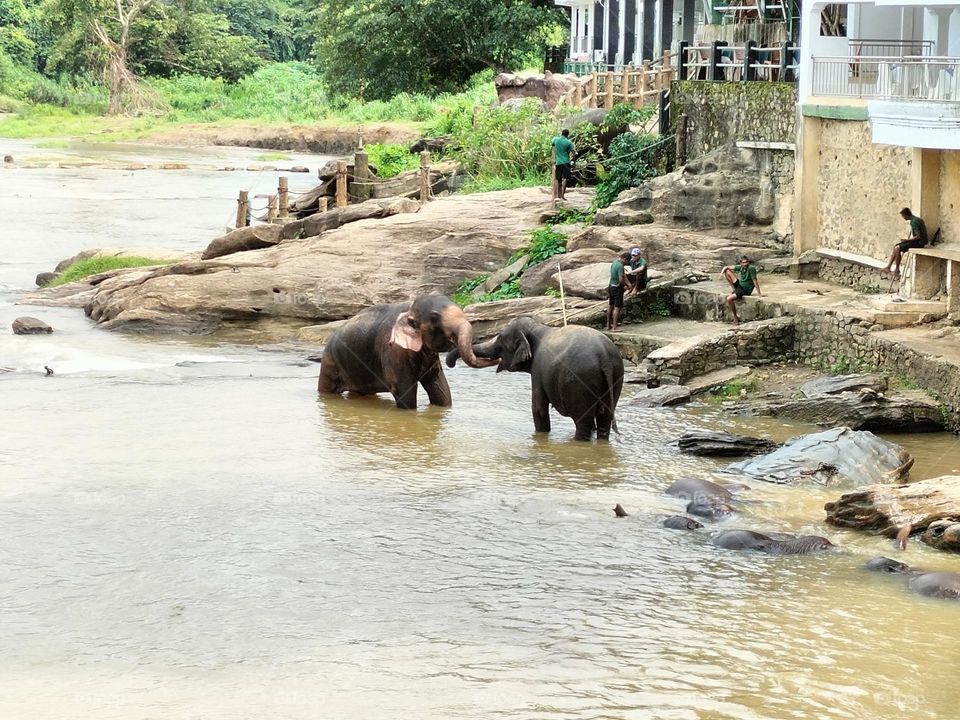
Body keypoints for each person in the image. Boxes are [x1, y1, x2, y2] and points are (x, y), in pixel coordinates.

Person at [883, 207, 928, 278]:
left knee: (898, 248)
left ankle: (897, 269)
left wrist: (906, 240)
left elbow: (918, 236)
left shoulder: (914, 222)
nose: (903, 218)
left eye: (902, 216)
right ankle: (888, 267)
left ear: (905, 215)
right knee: (896, 246)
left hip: (919, 243)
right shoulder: (916, 219)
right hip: (919, 241)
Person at [720, 256, 763, 326]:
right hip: (740, 286)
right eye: (743, 262)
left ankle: (735, 318)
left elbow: (755, 281)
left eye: (746, 262)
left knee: (729, 299)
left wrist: (759, 293)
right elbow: (726, 267)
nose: (745, 264)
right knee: (727, 271)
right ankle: (734, 289)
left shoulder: (751, 268)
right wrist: (721, 273)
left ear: (748, 262)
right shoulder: (741, 267)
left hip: (745, 289)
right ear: (741, 263)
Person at [607, 250, 631, 332]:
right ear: (624, 259)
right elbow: (621, 279)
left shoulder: (614, 262)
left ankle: (608, 325)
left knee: (610, 305)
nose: (627, 263)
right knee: (617, 308)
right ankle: (615, 327)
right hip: (617, 288)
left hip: (610, 286)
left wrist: (629, 284)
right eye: (627, 261)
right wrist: (624, 286)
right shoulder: (620, 266)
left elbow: (623, 275)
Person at [551, 129, 575, 201]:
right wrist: (573, 161)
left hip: (558, 162)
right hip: (566, 162)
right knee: (565, 179)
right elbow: (574, 153)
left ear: (561, 133)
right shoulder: (569, 142)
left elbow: (553, 145)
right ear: (568, 135)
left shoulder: (556, 139)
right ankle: (563, 196)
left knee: (558, 179)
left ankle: (558, 195)